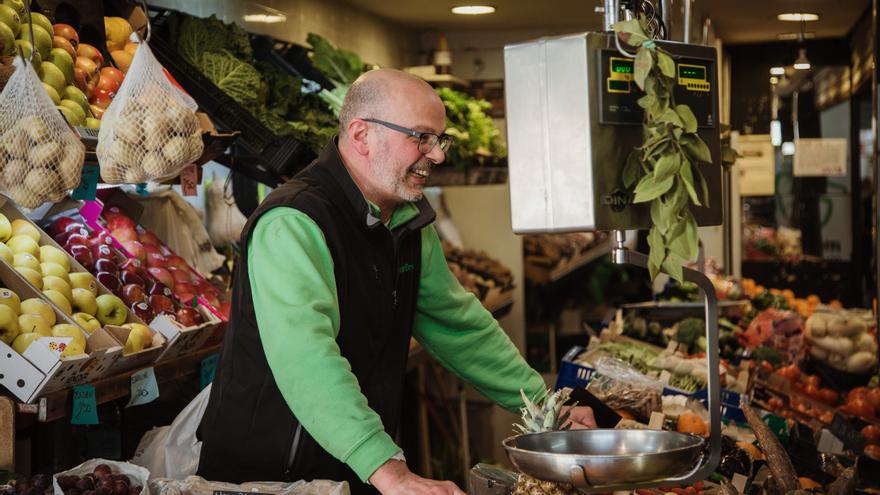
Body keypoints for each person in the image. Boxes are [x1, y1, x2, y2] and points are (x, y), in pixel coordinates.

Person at [197, 69, 596, 495]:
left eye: (440, 140)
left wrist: (546, 405)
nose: (437, 155)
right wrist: (392, 473)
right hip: (270, 473)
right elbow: (306, 359)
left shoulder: (406, 222)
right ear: (362, 134)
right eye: (421, 137)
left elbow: (458, 324)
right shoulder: (293, 222)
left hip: (357, 464)